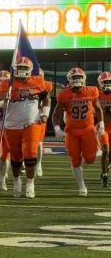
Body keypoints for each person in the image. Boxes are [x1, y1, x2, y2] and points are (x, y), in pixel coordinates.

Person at [0, 56, 50, 199]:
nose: (21, 70)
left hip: (31, 123)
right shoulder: (7, 84)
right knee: (15, 158)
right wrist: (3, 101)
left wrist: (45, 113)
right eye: (19, 68)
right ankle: (16, 181)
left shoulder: (38, 82)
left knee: (31, 153)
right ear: (15, 69)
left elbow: (47, 99)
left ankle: (30, 184)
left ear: (30, 70)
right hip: (12, 126)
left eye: (24, 68)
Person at [52, 67, 104, 196]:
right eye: (74, 78)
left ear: (84, 79)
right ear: (69, 80)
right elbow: (56, 113)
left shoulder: (92, 91)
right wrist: (57, 128)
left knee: (91, 158)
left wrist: (101, 124)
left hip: (88, 129)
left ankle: (82, 165)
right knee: (74, 159)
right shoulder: (64, 95)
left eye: (79, 77)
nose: (77, 80)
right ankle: (81, 186)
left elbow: (98, 109)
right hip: (71, 131)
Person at [96, 71, 111, 187]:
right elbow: (91, 111)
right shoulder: (96, 95)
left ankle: (105, 170)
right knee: (105, 149)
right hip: (102, 128)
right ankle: (104, 174)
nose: (107, 84)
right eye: (105, 82)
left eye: (109, 82)